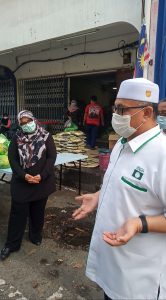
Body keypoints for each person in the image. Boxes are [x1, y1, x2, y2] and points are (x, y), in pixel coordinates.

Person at [73, 78, 166, 300]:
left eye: (122, 109)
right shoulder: (122, 145)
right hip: (112, 263)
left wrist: (140, 223)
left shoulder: (161, 154)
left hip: (138, 278)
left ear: (146, 113)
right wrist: (98, 196)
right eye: (115, 107)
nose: (115, 114)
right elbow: (120, 185)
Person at [0, 110, 57, 261]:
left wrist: (42, 175)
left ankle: (35, 235)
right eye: (22, 123)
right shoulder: (16, 138)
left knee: (38, 212)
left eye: (28, 121)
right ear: (20, 124)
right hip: (22, 183)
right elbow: (12, 159)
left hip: (41, 183)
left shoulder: (46, 136)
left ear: (34, 120)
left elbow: (51, 157)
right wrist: (24, 175)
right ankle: (12, 244)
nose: (26, 125)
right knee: (18, 213)